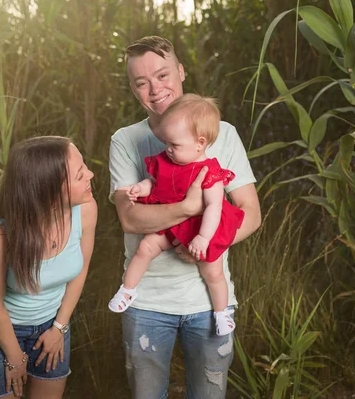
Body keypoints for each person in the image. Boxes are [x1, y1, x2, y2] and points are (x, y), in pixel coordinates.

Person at [109, 36, 261, 398]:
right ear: (132, 89)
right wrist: (188, 210)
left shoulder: (223, 134)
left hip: (208, 303)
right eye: (141, 82)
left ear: (181, 71)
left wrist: (204, 247)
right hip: (146, 303)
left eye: (162, 75)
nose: (154, 88)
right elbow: (129, 219)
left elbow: (251, 215)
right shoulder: (125, 140)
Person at [0, 136, 97, 399]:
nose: (91, 175)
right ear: (49, 190)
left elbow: (80, 270)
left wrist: (59, 327)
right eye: (80, 174)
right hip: (0, 330)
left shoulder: (85, 210)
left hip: (52, 323)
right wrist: (15, 357)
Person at [108, 94, 243, 336]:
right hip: (170, 222)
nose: (168, 150)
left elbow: (214, 207)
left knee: (213, 271)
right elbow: (154, 182)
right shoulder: (167, 160)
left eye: (175, 145)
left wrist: (202, 237)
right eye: (166, 143)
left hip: (199, 228)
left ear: (200, 143)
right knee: (145, 248)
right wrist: (141, 188)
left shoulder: (210, 172)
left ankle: (221, 312)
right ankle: (128, 289)